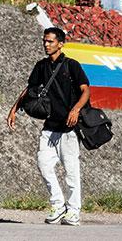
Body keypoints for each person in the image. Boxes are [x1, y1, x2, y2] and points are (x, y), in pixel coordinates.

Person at [7, 27, 90, 226]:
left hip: (69, 129)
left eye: (50, 41)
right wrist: (14, 108)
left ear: (60, 44)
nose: (46, 44)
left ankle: (73, 211)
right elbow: (29, 89)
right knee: (43, 164)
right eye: (44, 41)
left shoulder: (72, 66)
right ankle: (58, 204)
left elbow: (86, 90)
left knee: (71, 172)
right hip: (50, 127)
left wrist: (76, 109)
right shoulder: (41, 66)